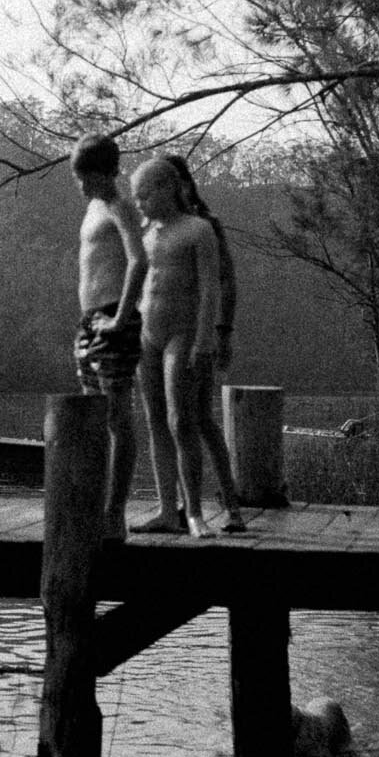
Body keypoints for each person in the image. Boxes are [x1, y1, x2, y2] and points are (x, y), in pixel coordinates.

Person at [129, 157, 222, 538]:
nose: (139, 203)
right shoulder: (145, 233)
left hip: (182, 334)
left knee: (181, 421)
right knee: (154, 424)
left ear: (169, 188)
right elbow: (136, 283)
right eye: (135, 197)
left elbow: (210, 289)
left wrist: (204, 339)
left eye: (145, 194)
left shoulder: (198, 230)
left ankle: (194, 512)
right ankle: (167, 510)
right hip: (146, 334)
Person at [163, 154, 249, 531]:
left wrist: (222, 332)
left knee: (196, 420)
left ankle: (225, 508)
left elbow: (226, 281)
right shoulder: (162, 226)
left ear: (183, 183)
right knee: (188, 421)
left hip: (197, 335)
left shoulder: (205, 226)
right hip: (168, 336)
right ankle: (195, 506)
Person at [70, 134, 147, 542]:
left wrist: (120, 318)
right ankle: (94, 507)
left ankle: (114, 514)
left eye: (86, 177)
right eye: (77, 178)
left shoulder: (121, 207)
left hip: (115, 318)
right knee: (91, 418)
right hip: (90, 320)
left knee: (118, 418)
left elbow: (139, 259)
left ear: (106, 173)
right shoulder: (93, 207)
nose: (81, 185)